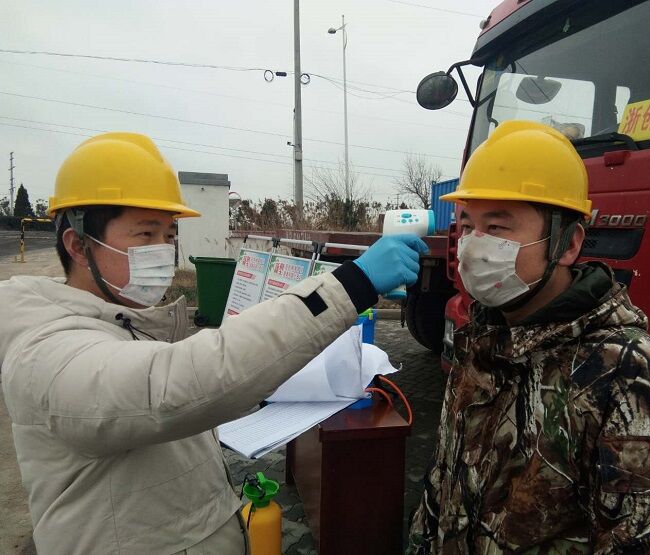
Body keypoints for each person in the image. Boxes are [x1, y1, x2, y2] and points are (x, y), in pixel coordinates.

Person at [0, 132, 428, 554]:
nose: (163, 251)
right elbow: (174, 385)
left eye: (169, 235)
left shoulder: (127, 322)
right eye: (145, 235)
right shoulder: (46, 350)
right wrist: (351, 284)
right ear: (78, 246)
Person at [407, 120, 650, 554]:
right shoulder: (481, 340)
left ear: (568, 245)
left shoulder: (628, 374)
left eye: (497, 228)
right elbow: (443, 484)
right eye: (468, 225)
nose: (474, 247)